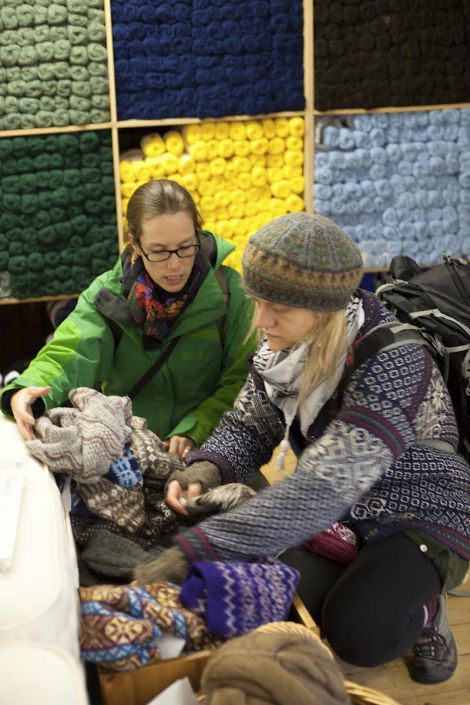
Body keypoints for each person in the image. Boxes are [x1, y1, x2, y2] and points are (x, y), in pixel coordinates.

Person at [133, 212, 470, 685]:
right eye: (257, 302)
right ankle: (364, 571)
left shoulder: (395, 361)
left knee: (359, 633)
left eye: (279, 308)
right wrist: (204, 470)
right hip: (349, 509)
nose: (262, 320)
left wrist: (193, 550)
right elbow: (249, 426)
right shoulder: (282, 350)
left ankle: (425, 610)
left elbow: (321, 489)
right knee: (282, 598)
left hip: (421, 511)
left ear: (326, 307)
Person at [0, 179, 256, 458]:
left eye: (185, 247)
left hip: (213, 450)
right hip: (129, 454)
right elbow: (71, 352)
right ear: (135, 244)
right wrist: (27, 391)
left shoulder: (230, 294)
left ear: (198, 234)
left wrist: (195, 429)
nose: (175, 264)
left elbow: (242, 379)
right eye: (159, 251)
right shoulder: (108, 297)